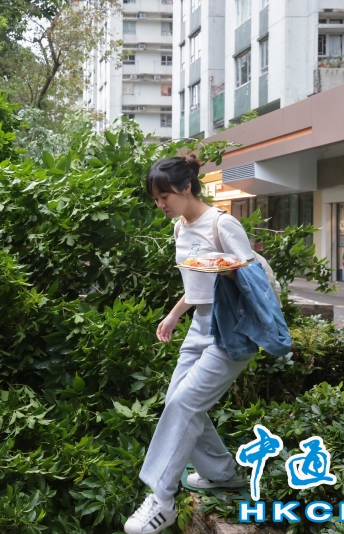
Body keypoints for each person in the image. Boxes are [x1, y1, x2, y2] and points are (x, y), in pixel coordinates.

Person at [124, 155, 257, 534]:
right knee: (177, 401)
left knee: (185, 403)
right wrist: (174, 314)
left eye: (165, 196)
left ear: (186, 188)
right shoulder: (180, 228)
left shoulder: (222, 223)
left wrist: (221, 264)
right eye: (155, 198)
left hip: (233, 326)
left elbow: (251, 276)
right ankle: (222, 473)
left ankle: (162, 498)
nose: (160, 204)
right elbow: (196, 286)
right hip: (201, 323)